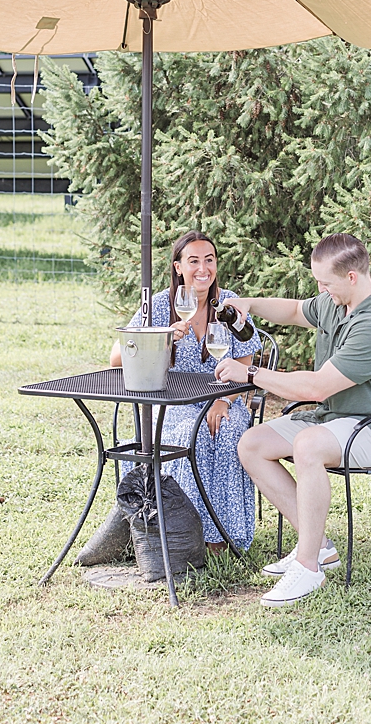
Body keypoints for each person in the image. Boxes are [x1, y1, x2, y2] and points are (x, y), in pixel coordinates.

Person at [218, 232, 371, 607]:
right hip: (335, 420)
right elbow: (293, 311)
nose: (320, 289)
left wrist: (253, 375)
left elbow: (318, 387)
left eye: (325, 282)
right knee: (253, 445)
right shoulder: (335, 303)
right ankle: (319, 546)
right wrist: (249, 304)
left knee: (307, 445)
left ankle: (307, 567)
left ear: (352, 276)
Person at [117, 230, 262, 554]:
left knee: (227, 433)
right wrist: (162, 337)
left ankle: (222, 536)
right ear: (178, 267)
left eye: (209, 260)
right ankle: (180, 537)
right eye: (193, 261)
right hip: (171, 402)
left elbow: (245, 358)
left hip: (224, 397)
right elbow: (118, 357)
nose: (203, 269)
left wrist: (222, 400)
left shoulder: (228, 303)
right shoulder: (157, 306)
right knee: (186, 436)